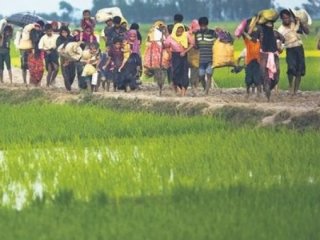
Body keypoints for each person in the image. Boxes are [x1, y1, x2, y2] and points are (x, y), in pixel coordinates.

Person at [278, 9, 310, 95]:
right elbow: (280, 43)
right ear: (281, 19)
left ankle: (295, 91)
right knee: (291, 68)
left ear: (290, 17)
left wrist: (301, 23)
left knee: (300, 70)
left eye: (288, 17)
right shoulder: (280, 30)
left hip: (299, 48)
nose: (287, 19)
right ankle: (290, 86)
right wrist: (279, 48)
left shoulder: (296, 24)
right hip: (290, 50)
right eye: (284, 18)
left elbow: (307, 32)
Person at [257, 21, 285, 101]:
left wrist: (280, 46)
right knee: (264, 74)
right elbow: (253, 39)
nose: (269, 26)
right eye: (267, 24)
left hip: (274, 55)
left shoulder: (275, 33)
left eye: (270, 24)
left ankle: (269, 88)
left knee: (276, 76)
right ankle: (267, 96)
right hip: (263, 56)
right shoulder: (260, 34)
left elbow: (283, 39)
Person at [165, 23, 193, 97]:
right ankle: (176, 88)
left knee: (184, 73)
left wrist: (185, 51)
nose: (180, 33)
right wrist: (170, 53)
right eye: (178, 31)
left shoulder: (186, 35)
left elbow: (192, 44)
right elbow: (166, 45)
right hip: (175, 56)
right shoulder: (170, 37)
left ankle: (183, 92)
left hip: (183, 56)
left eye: (181, 31)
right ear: (175, 31)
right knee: (175, 73)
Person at [195, 17, 217, 94]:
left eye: (204, 25)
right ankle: (205, 88)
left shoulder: (212, 32)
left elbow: (218, 41)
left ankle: (206, 92)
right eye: (201, 26)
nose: (203, 27)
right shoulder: (197, 33)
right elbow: (196, 46)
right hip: (201, 59)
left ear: (207, 25)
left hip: (211, 58)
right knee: (201, 76)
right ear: (199, 25)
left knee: (209, 75)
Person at [56, 26, 75, 91]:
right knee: (65, 73)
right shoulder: (59, 39)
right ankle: (68, 88)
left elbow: (74, 46)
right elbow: (58, 48)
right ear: (61, 33)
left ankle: (69, 85)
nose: (64, 33)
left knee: (72, 74)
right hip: (63, 57)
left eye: (65, 32)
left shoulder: (71, 38)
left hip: (71, 57)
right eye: (62, 32)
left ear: (68, 32)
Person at [187, 19, 200, 91]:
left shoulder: (200, 34)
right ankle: (192, 86)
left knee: (197, 72)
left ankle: (196, 87)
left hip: (198, 55)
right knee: (193, 71)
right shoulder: (187, 34)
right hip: (190, 55)